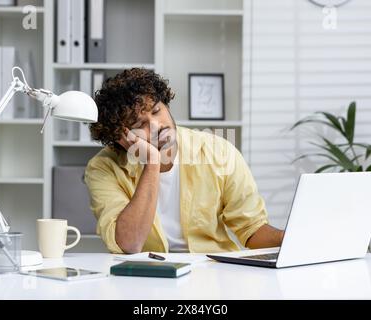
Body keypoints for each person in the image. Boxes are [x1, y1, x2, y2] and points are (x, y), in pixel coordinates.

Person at [84, 68, 284, 254]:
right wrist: (152, 162)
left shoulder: (218, 151)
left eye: (156, 111)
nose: (156, 126)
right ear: (121, 136)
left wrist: (291, 238)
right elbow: (129, 243)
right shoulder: (102, 168)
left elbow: (252, 230)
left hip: (211, 273)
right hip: (145, 275)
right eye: (139, 124)